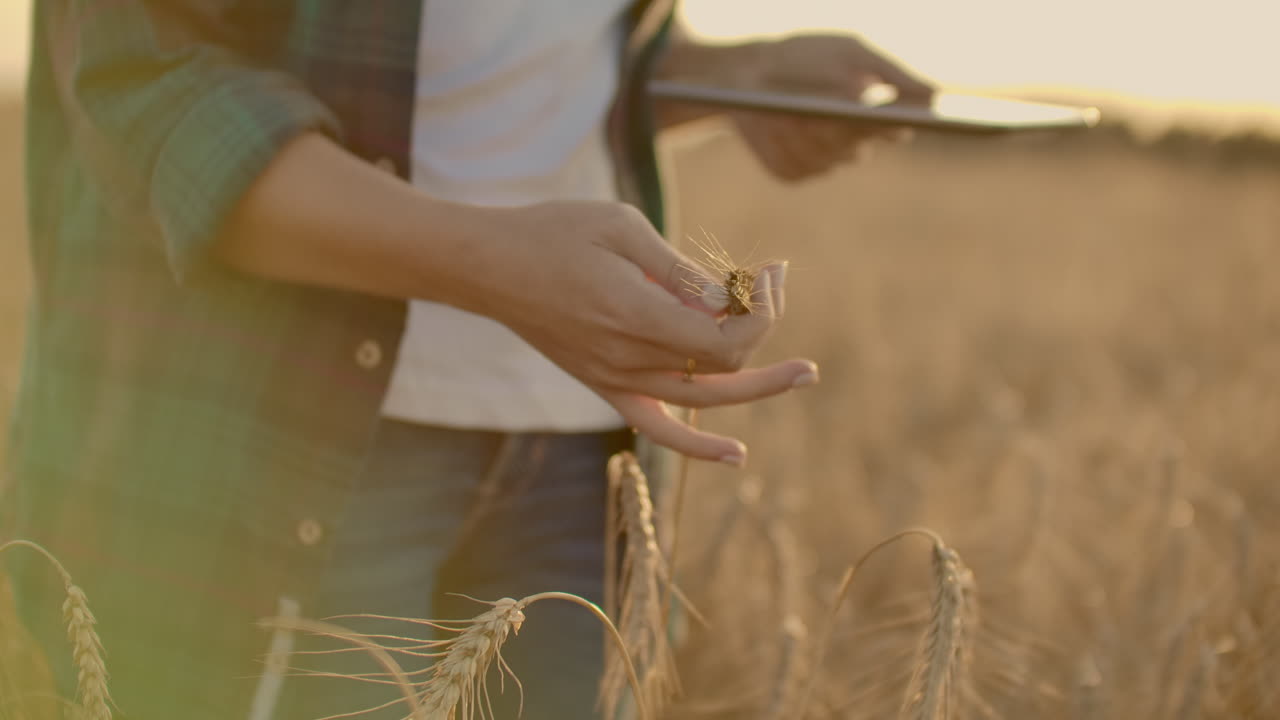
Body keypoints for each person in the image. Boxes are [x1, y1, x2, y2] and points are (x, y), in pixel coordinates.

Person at [1, 1, 930, 718]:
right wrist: (494, 266)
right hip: (276, 430)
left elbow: (532, 55)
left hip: (580, 456)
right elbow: (149, 79)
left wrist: (739, 74)